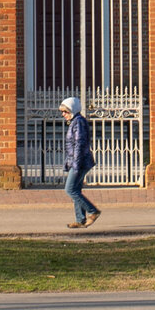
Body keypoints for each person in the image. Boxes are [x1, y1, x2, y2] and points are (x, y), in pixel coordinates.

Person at [61, 97, 100, 227]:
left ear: (71, 110)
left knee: (70, 189)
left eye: (65, 111)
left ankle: (93, 211)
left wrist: (76, 165)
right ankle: (80, 219)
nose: (63, 114)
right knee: (76, 189)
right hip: (77, 161)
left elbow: (79, 144)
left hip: (80, 162)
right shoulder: (75, 122)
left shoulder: (78, 122)